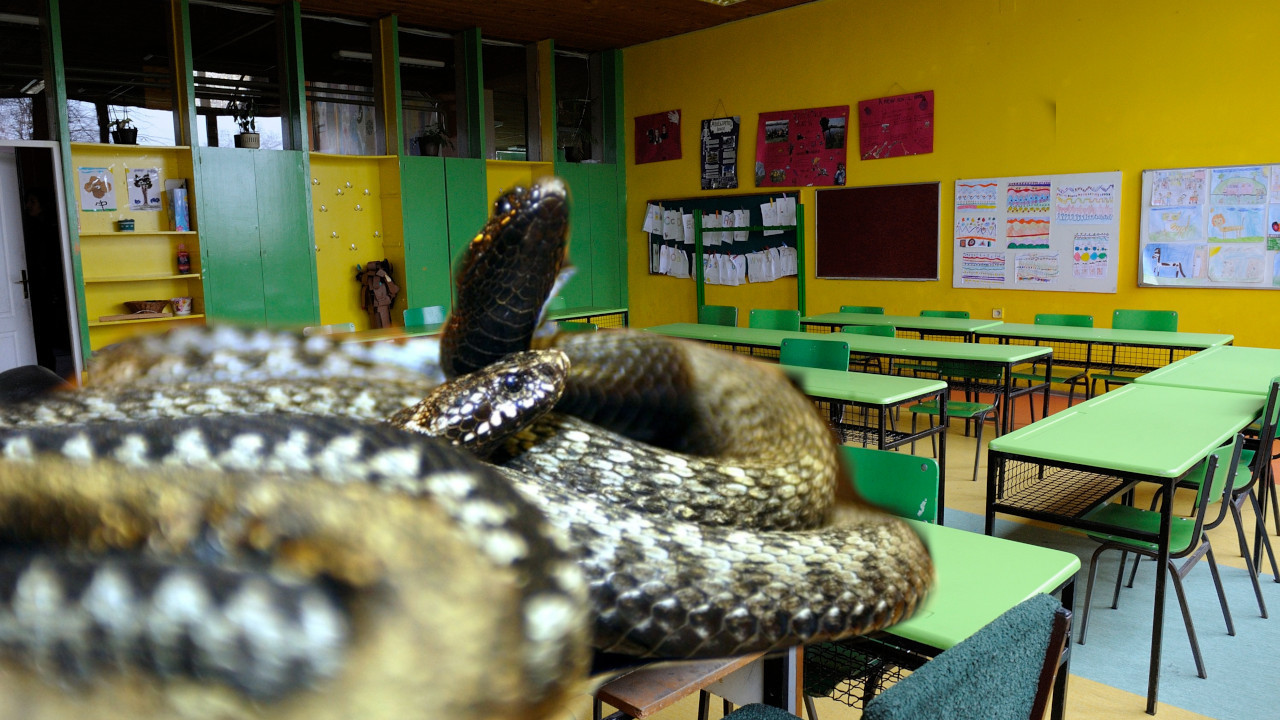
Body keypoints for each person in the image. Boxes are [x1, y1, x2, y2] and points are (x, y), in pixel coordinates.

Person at [21, 190, 72, 377]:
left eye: (32, 201)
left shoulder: (50, 227)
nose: (28, 206)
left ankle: (52, 373)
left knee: (51, 332)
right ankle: (47, 372)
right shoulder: (31, 226)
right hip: (42, 286)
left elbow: (51, 261)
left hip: (51, 286)